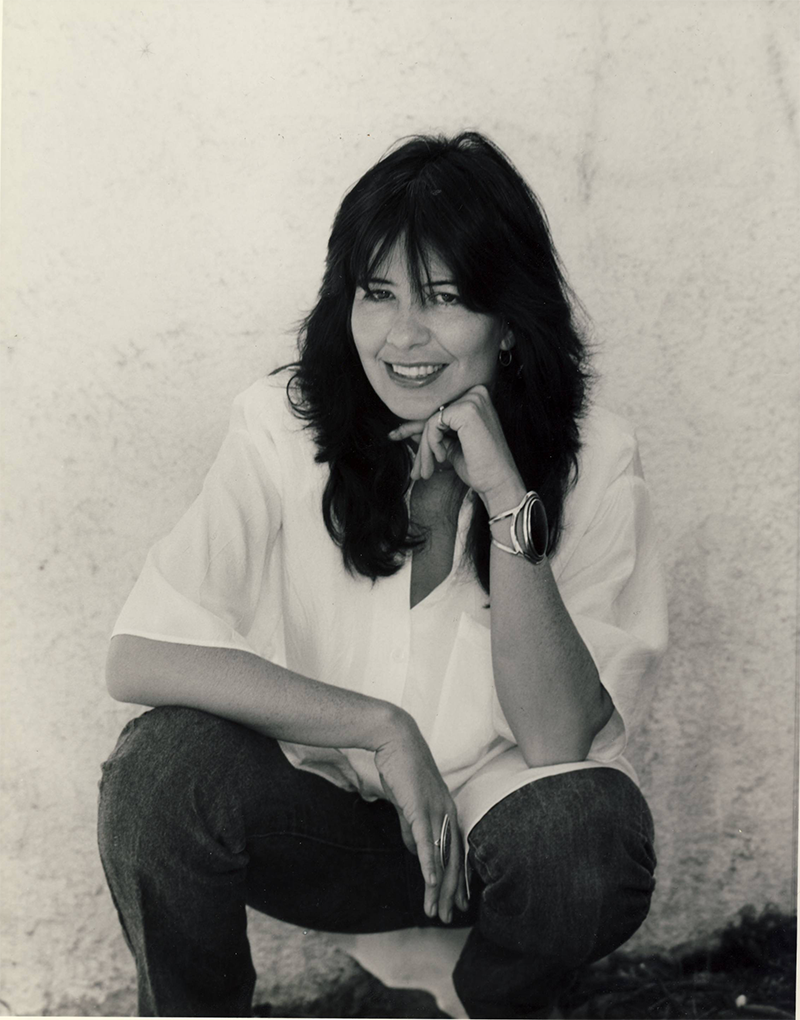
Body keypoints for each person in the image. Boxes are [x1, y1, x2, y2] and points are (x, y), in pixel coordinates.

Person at [97, 132, 667, 1019]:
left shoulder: (597, 459)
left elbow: (558, 746)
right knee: (161, 773)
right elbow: (139, 656)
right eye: (377, 294)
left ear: (509, 320)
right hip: (322, 830)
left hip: (491, 843)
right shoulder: (282, 426)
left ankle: (487, 1007)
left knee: (583, 838)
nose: (403, 335)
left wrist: (506, 494)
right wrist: (381, 729)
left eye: (443, 298)